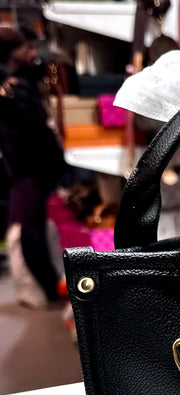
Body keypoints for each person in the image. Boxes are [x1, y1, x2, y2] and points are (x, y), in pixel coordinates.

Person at [0, 24, 65, 305]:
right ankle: (47, 289)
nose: (32, 52)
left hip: (27, 171)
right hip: (30, 172)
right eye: (25, 48)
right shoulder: (14, 89)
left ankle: (45, 288)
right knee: (30, 231)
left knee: (31, 229)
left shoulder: (18, 84)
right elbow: (32, 136)